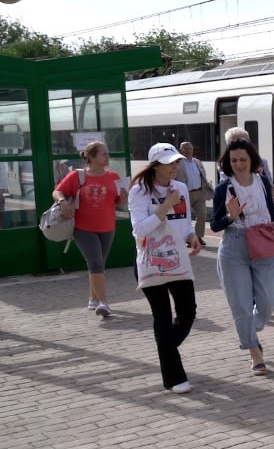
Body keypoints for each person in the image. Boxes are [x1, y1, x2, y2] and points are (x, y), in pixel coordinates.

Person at [128, 143, 202, 394]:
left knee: (188, 313)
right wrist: (164, 206)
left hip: (178, 260)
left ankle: (166, 350)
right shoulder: (139, 191)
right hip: (150, 262)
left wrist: (191, 235)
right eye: (170, 162)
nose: (175, 167)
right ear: (155, 165)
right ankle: (174, 377)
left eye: (177, 162)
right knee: (161, 318)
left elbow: (183, 222)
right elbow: (139, 229)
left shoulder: (180, 188)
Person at [210, 138, 274, 376]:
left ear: (252, 160)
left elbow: (271, 211)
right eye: (233, 160)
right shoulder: (224, 188)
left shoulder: (262, 181)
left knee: (269, 301)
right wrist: (230, 217)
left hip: (262, 243)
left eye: (243, 159)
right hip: (234, 246)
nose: (238, 164)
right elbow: (215, 225)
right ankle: (254, 352)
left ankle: (250, 330)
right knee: (240, 305)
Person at [52, 140, 124, 318]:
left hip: (107, 227)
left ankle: (93, 297)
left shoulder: (114, 177)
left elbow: (120, 203)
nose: (108, 157)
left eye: (107, 153)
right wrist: (62, 202)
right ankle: (103, 303)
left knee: (98, 264)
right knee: (96, 263)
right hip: (83, 228)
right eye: (103, 154)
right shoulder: (77, 176)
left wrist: (124, 196)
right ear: (91, 157)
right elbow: (57, 192)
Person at [175, 141, 213, 246]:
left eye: (190, 148)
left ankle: (198, 237)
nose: (188, 151)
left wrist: (205, 190)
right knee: (186, 217)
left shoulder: (197, 162)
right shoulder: (177, 163)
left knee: (202, 215)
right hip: (185, 194)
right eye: (185, 148)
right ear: (180, 150)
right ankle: (188, 238)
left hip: (199, 193)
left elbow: (203, 176)